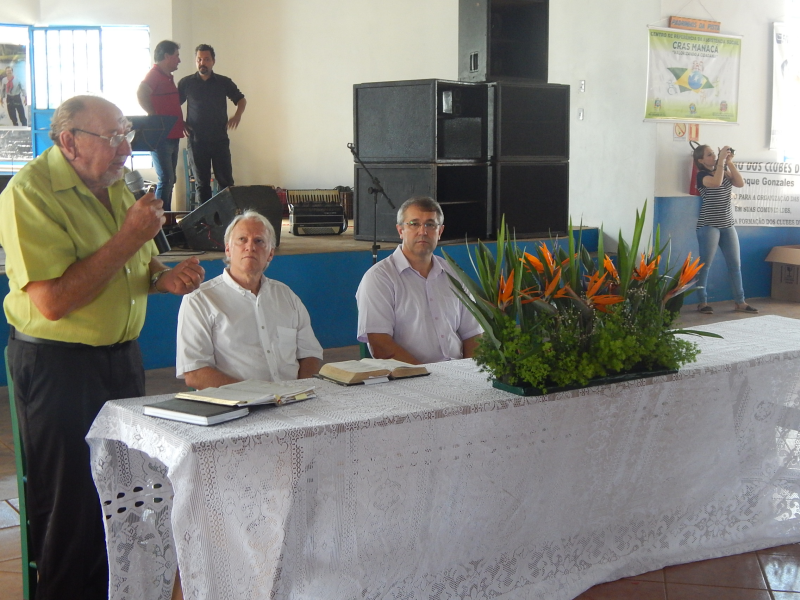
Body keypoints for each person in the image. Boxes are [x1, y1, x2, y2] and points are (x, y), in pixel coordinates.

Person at [0, 95, 205, 600]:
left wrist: (164, 278)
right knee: (71, 510)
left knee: (126, 495)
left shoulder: (114, 187)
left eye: (127, 136)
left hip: (120, 361)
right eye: (113, 137)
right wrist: (131, 237)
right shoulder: (30, 192)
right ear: (69, 141)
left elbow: (133, 268)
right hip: (58, 367)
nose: (125, 149)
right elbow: (53, 301)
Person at [177, 210, 323, 389]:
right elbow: (195, 374)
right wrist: (260, 395)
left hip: (292, 401)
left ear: (270, 253)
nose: (250, 247)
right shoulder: (200, 300)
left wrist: (300, 391)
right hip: (237, 408)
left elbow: (310, 354)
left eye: (259, 241)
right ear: (228, 249)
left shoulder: (286, 296)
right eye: (242, 240)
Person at [356, 196, 482, 364]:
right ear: (400, 230)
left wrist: (470, 372)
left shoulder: (454, 274)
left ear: (440, 232)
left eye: (430, 224)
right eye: (414, 224)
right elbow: (380, 345)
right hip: (408, 378)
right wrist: (426, 375)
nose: (423, 231)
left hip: (457, 374)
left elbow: (473, 334)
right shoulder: (379, 278)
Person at [692, 143, 758, 314]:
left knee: (735, 264)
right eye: (709, 155)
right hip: (709, 225)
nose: (713, 156)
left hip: (727, 224)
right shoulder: (702, 176)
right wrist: (721, 161)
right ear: (700, 160)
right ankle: (702, 302)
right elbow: (716, 182)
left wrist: (729, 162)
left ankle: (740, 301)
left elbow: (740, 183)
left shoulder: (724, 171)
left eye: (714, 153)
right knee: (705, 265)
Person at [178, 44, 246, 205]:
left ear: (213, 61)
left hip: (219, 140)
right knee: (202, 184)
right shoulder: (186, 83)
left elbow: (241, 100)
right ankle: (205, 224)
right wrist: (179, 121)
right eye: (199, 59)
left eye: (206, 59)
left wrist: (237, 116)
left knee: (226, 183)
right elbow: (173, 105)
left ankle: (229, 221)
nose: (203, 63)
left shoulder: (223, 82)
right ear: (196, 61)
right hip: (196, 141)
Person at [137, 40, 185, 211]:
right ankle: (160, 221)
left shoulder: (167, 76)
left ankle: (166, 218)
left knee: (170, 179)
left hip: (173, 134)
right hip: (162, 136)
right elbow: (141, 93)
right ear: (167, 56)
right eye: (176, 56)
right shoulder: (155, 74)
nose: (179, 60)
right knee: (166, 178)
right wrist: (154, 117)